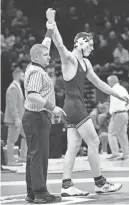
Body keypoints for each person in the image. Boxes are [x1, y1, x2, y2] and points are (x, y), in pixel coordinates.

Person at [46, 8, 129, 196]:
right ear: (80, 44)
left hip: (72, 107)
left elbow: (99, 83)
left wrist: (116, 94)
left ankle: (66, 186)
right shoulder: (71, 61)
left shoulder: (86, 63)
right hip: (75, 107)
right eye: (90, 44)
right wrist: (53, 25)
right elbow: (59, 45)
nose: (92, 48)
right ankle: (100, 183)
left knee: (74, 146)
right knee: (94, 141)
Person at [22, 11, 65, 204]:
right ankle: (40, 193)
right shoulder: (38, 72)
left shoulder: (35, 65)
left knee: (34, 155)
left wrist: (50, 23)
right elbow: (32, 94)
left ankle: (32, 192)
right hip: (38, 116)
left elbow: (45, 43)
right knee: (39, 155)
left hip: (32, 116)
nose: (50, 57)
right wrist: (53, 107)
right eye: (46, 55)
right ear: (38, 57)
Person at [4, 67, 27, 166]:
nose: (24, 77)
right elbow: (12, 106)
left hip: (20, 118)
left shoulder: (17, 86)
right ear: (17, 76)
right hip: (16, 119)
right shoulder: (13, 88)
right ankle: (11, 161)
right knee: (11, 140)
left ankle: (23, 157)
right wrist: (16, 119)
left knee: (27, 136)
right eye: (22, 75)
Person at [107, 75, 129, 160]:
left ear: (111, 81)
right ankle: (126, 154)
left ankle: (116, 153)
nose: (108, 83)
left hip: (117, 114)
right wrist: (125, 109)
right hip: (124, 113)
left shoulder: (114, 89)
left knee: (111, 134)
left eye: (108, 82)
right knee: (122, 135)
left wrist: (120, 110)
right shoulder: (122, 89)